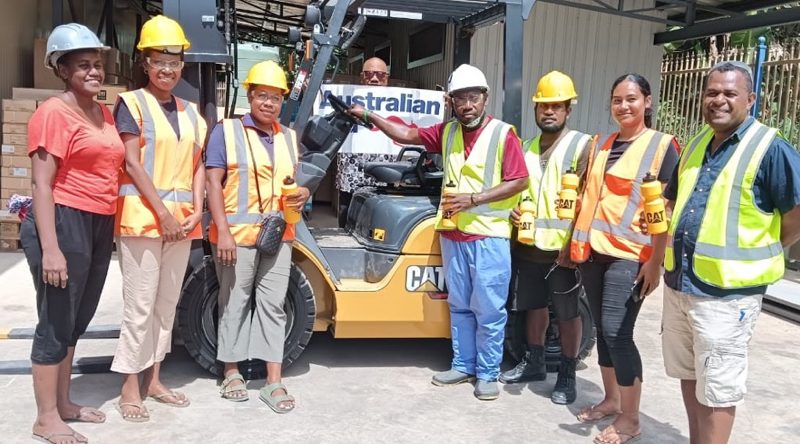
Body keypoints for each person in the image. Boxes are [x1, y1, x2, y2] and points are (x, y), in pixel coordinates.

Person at [348, 64, 529, 401]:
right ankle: (463, 364)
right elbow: (406, 135)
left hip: (489, 237)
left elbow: (519, 179)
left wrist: (474, 198)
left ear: (485, 98)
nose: (467, 105)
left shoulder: (504, 134)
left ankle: (487, 373)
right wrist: (370, 115)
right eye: (460, 99)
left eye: (473, 98)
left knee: (488, 308)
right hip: (453, 233)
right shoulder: (447, 132)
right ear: (451, 102)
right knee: (459, 305)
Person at [656, 61, 800, 444]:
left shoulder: (770, 149)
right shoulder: (696, 144)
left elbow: (796, 214)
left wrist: (767, 249)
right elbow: (673, 203)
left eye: (729, 93)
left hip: (727, 295)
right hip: (681, 284)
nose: (718, 100)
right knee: (690, 374)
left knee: (718, 386)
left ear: (750, 100)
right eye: (712, 92)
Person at [20, 23, 124, 444]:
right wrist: (51, 249)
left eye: (97, 64)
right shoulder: (53, 113)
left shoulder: (101, 112)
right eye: (83, 65)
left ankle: (63, 403)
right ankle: (46, 418)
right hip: (63, 221)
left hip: (98, 222)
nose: (93, 71)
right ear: (62, 70)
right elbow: (41, 184)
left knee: (76, 320)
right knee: (56, 320)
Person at [569, 74, 680, 444]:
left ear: (647, 101)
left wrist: (656, 260)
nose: (623, 106)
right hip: (593, 252)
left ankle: (631, 419)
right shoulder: (600, 143)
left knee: (619, 332)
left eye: (631, 99)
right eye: (617, 99)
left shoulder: (663, 147)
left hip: (631, 256)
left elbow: (666, 207)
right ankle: (612, 400)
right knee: (603, 328)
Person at [109, 15, 207, 421]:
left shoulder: (192, 111)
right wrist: (163, 214)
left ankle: (154, 379)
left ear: (183, 64)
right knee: (140, 305)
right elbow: (132, 163)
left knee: (166, 305)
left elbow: (199, 163)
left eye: (174, 60)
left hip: (181, 224)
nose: (167, 69)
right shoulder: (131, 104)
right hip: (142, 221)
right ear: (145, 63)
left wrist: (198, 208)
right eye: (158, 60)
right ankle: (129, 386)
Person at [205, 60, 310, 413]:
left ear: (283, 101)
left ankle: (273, 381)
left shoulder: (289, 137)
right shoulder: (227, 131)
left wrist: (304, 194)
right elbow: (213, 184)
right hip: (236, 237)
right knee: (235, 301)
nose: (268, 103)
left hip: (278, 236)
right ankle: (232, 372)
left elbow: (289, 185)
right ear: (250, 96)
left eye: (276, 97)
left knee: (273, 306)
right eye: (262, 95)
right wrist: (222, 234)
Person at [499, 71, 591, 406]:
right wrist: (512, 212)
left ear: (568, 109)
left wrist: (573, 246)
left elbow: (589, 200)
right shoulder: (524, 148)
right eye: (543, 106)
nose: (548, 112)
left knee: (567, 314)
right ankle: (534, 363)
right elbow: (519, 191)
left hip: (563, 251)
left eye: (556, 106)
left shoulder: (582, 146)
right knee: (533, 308)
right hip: (528, 245)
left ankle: (567, 374)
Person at [335, 57, 393, 226]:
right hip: (352, 172)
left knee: (378, 221)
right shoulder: (348, 98)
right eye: (369, 74)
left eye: (380, 75)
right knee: (347, 217)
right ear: (361, 77)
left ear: (387, 78)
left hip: (383, 172)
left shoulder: (400, 101)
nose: (374, 79)